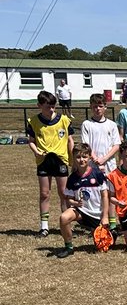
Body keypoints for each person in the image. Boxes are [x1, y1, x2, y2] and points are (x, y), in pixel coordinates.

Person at [27, 91, 75, 237]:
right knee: (44, 193)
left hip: (60, 160)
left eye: (53, 106)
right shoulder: (34, 121)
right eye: (48, 107)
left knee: (64, 193)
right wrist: (36, 151)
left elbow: (70, 140)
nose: (52, 110)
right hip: (44, 161)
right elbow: (31, 140)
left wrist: (73, 160)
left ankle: (66, 224)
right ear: (39, 106)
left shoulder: (64, 120)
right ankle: (44, 226)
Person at [57, 142, 111, 258]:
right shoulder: (72, 178)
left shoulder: (97, 174)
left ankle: (109, 231)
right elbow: (69, 199)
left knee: (102, 247)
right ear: (74, 158)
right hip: (81, 212)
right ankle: (69, 247)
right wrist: (75, 203)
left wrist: (105, 217)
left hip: (97, 214)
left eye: (84, 156)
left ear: (89, 157)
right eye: (78, 157)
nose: (81, 160)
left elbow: (105, 196)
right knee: (64, 218)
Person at [80, 92, 120, 173]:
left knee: (110, 185)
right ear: (90, 107)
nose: (98, 109)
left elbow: (116, 145)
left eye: (100, 106)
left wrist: (104, 159)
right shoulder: (86, 124)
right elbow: (86, 146)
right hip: (92, 163)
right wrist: (95, 159)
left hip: (109, 163)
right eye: (95, 106)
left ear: (105, 107)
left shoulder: (112, 124)